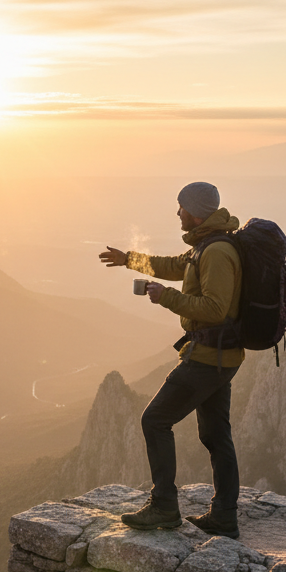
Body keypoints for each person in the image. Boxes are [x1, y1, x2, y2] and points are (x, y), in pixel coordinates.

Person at [99, 181, 243, 538]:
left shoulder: (216, 252)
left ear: (194, 212)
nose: (176, 213)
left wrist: (166, 297)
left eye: (180, 207)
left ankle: (164, 505)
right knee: (215, 434)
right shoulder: (204, 246)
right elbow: (172, 264)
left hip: (209, 357)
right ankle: (224, 516)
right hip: (219, 356)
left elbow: (214, 309)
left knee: (155, 419)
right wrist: (129, 259)